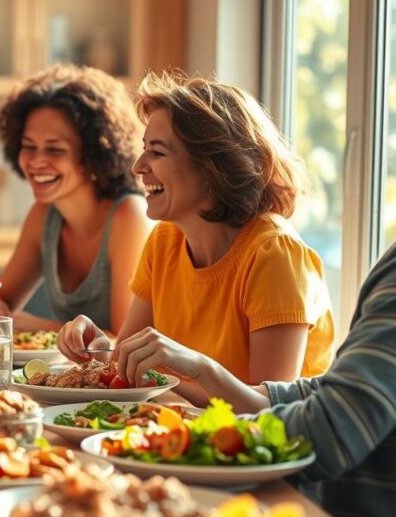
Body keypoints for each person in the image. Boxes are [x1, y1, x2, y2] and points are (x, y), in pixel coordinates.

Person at [112, 231, 396, 517]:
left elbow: (337, 426)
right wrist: (207, 373)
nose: (139, 176)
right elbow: (329, 395)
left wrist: (181, 442)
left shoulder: (276, 250)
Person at [58, 71, 335, 406]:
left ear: (212, 168)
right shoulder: (165, 240)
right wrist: (98, 349)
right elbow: (125, 372)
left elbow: (270, 411)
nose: (138, 167)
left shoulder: (275, 254)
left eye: (157, 153)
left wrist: (192, 369)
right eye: (144, 150)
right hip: (185, 437)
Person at [0, 63, 153, 334]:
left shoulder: (130, 216)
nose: (37, 161)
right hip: (76, 374)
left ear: (93, 156)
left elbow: (129, 343)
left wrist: (42, 328)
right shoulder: (44, 214)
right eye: (28, 146)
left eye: (55, 149)